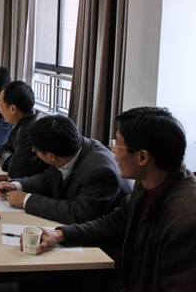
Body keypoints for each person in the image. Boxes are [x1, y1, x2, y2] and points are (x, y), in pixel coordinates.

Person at [34, 107, 196, 291]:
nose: (113, 152)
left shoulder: (185, 221)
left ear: (142, 157)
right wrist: (60, 234)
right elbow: (115, 223)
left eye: (117, 144)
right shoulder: (148, 182)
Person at [0, 115, 133, 224]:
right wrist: (16, 185)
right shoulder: (69, 148)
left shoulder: (101, 171)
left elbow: (78, 214)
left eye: (35, 149)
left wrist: (27, 200)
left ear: (51, 156)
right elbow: (47, 179)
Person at [0, 81, 47, 179]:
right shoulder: (24, 121)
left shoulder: (30, 131)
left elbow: (16, 172)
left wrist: (12, 161)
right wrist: (13, 159)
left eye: (0, 102)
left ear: (13, 109)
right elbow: (3, 148)